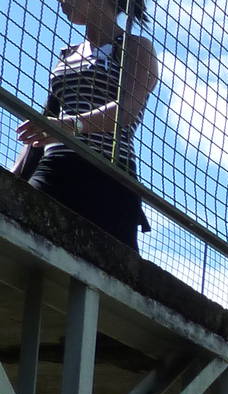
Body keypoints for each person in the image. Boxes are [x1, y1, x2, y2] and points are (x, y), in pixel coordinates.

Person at [13, 0, 159, 251]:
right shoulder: (66, 56)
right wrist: (12, 178)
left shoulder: (135, 47)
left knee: (112, 270)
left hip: (109, 171)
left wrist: (68, 126)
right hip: (56, 165)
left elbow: (126, 111)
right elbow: (44, 126)